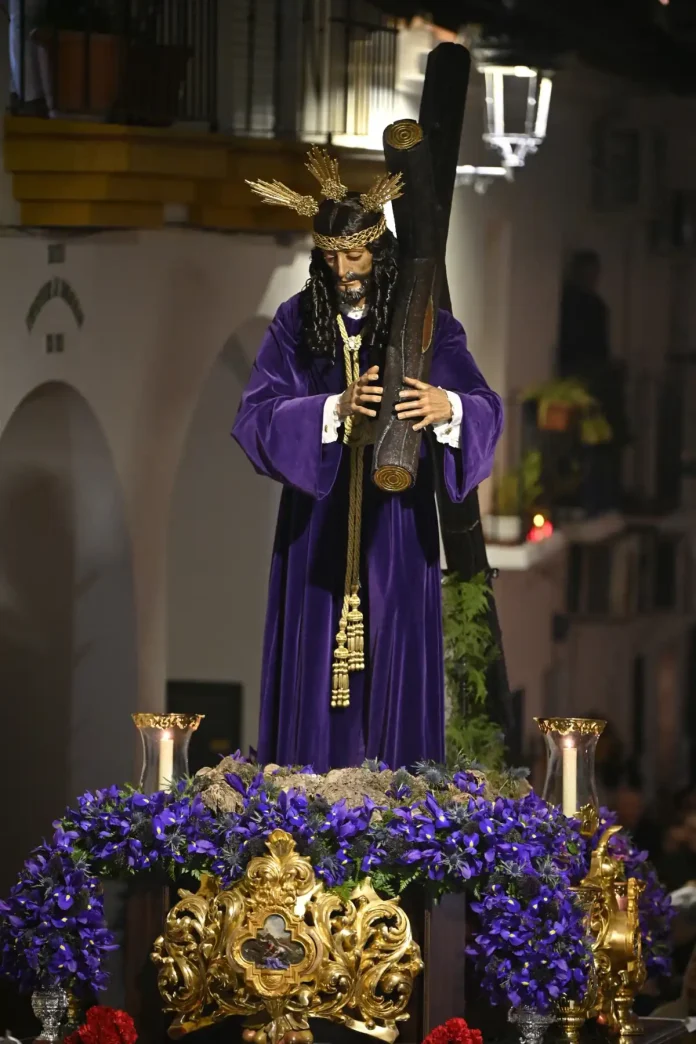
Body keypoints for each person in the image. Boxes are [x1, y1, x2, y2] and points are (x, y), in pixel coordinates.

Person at [232, 148, 503, 772]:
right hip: (315, 528)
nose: (343, 269)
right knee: (311, 659)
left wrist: (448, 407)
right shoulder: (295, 324)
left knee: (397, 652)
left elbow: (487, 407)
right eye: (330, 257)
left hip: (398, 527)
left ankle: (395, 816)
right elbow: (253, 419)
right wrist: (331, 409)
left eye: (354, 255)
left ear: (378, 253)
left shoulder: (426, 326)